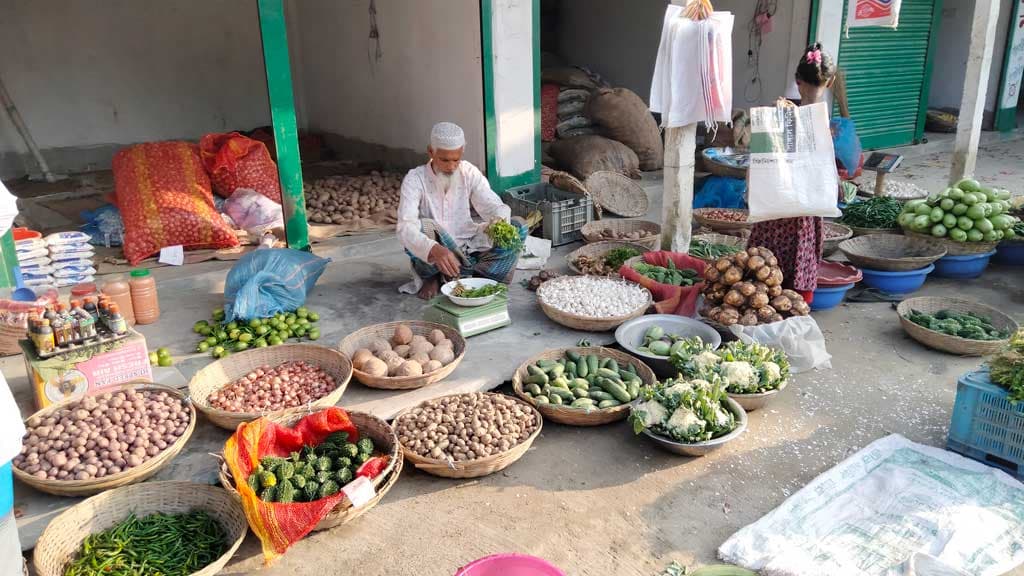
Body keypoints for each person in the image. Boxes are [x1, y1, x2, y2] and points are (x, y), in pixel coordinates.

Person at [748, 43, 843, 304]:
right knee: (800, 255)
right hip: (805, 211)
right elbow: (828, 171)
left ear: (797, 80)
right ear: (831, 81)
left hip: (775, 208)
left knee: (765, 260)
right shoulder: (824, 125)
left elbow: (760, 161)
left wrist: (751, 188)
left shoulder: (779, 115)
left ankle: (760, 303)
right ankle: (796, 306)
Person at [397, 122, 526, 300]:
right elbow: (404, 228)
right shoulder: (415, 179)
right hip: (436, 254)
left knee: (517, 226)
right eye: (444, 160)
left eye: (456, 159)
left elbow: (493, 205)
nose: (451, 166)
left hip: (469, 248)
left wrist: (498, 219)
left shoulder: (468, 172)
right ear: (431, 152)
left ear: (462, 153)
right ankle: (432, 276)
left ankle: (480, 279)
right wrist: (434, 249)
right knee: (420, 228)